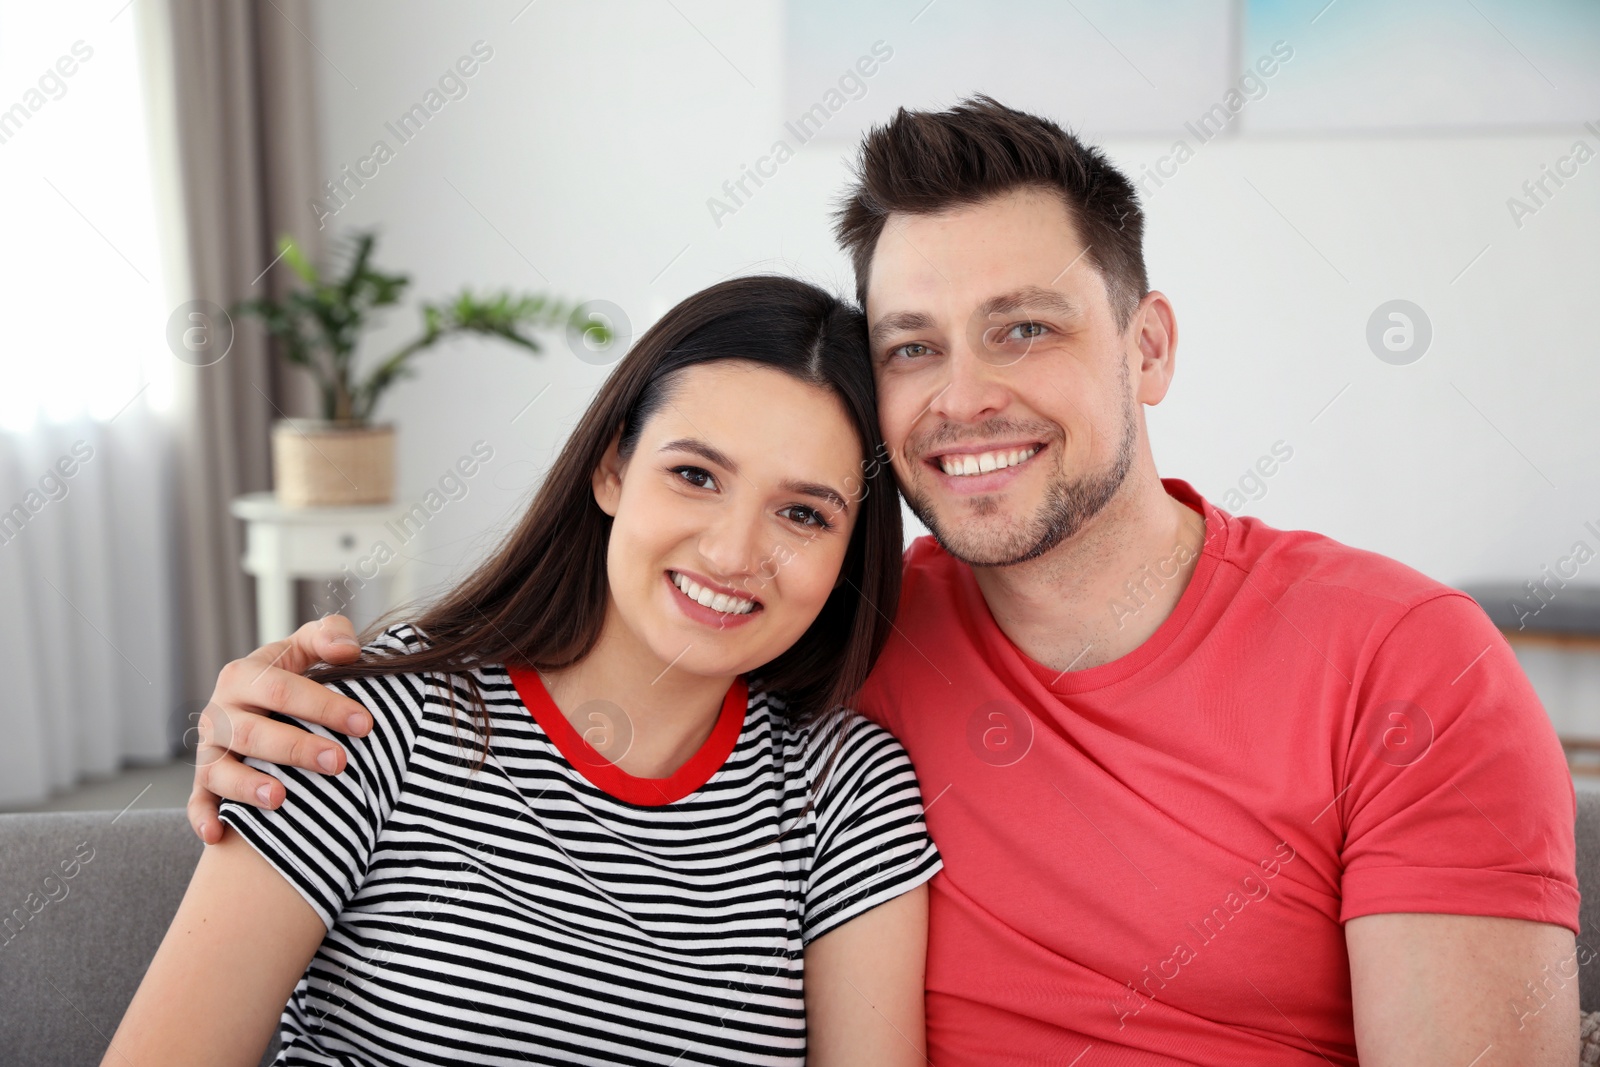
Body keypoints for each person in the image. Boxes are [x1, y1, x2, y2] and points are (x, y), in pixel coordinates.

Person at [189, 97, 1581, 1065]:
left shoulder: (1405, 658)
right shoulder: (830, 635)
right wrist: (267, 704)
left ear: (1146, 345)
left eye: (1023, 328)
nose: (963, 399)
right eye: (913, 346)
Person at [110, 276, 942, 1066]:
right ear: (612, 469)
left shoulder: (847, 793)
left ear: (847, 556)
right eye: (695, 475)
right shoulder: (364, 722)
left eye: (802, 513)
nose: (732, 552)